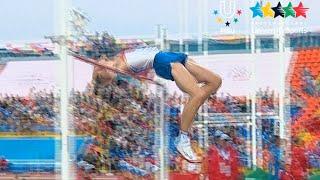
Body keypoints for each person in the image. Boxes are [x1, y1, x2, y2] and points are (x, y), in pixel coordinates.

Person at [92, 46, 222, 162]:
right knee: (197, 94)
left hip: (169, 55)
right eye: (99, 67)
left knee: (215, 81)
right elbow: (116, 75)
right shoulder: (119, 70)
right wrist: (102, 74)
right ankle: (182, 138)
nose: (99, 62)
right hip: (163, 62)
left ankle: (192, 108)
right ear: (102, 71)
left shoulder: (118, 58)